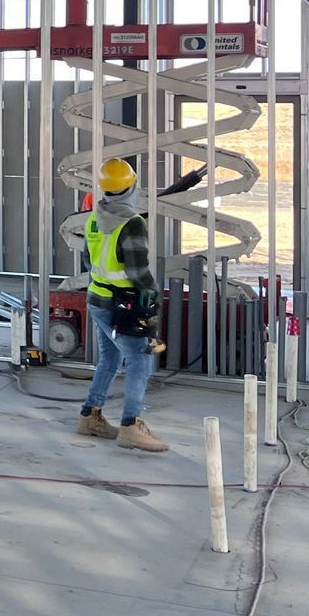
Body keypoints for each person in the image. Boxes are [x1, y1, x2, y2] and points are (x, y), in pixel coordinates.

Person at [76, 156, 203, 452]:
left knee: (109, 359)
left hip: (97, 299)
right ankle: (131, 425)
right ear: (132, 187)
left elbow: (87, 261)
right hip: (123, 306)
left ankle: (90, 416)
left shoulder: (93, 219)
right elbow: (137, 271)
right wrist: (153, 293)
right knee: (140, 360)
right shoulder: (133, 224)